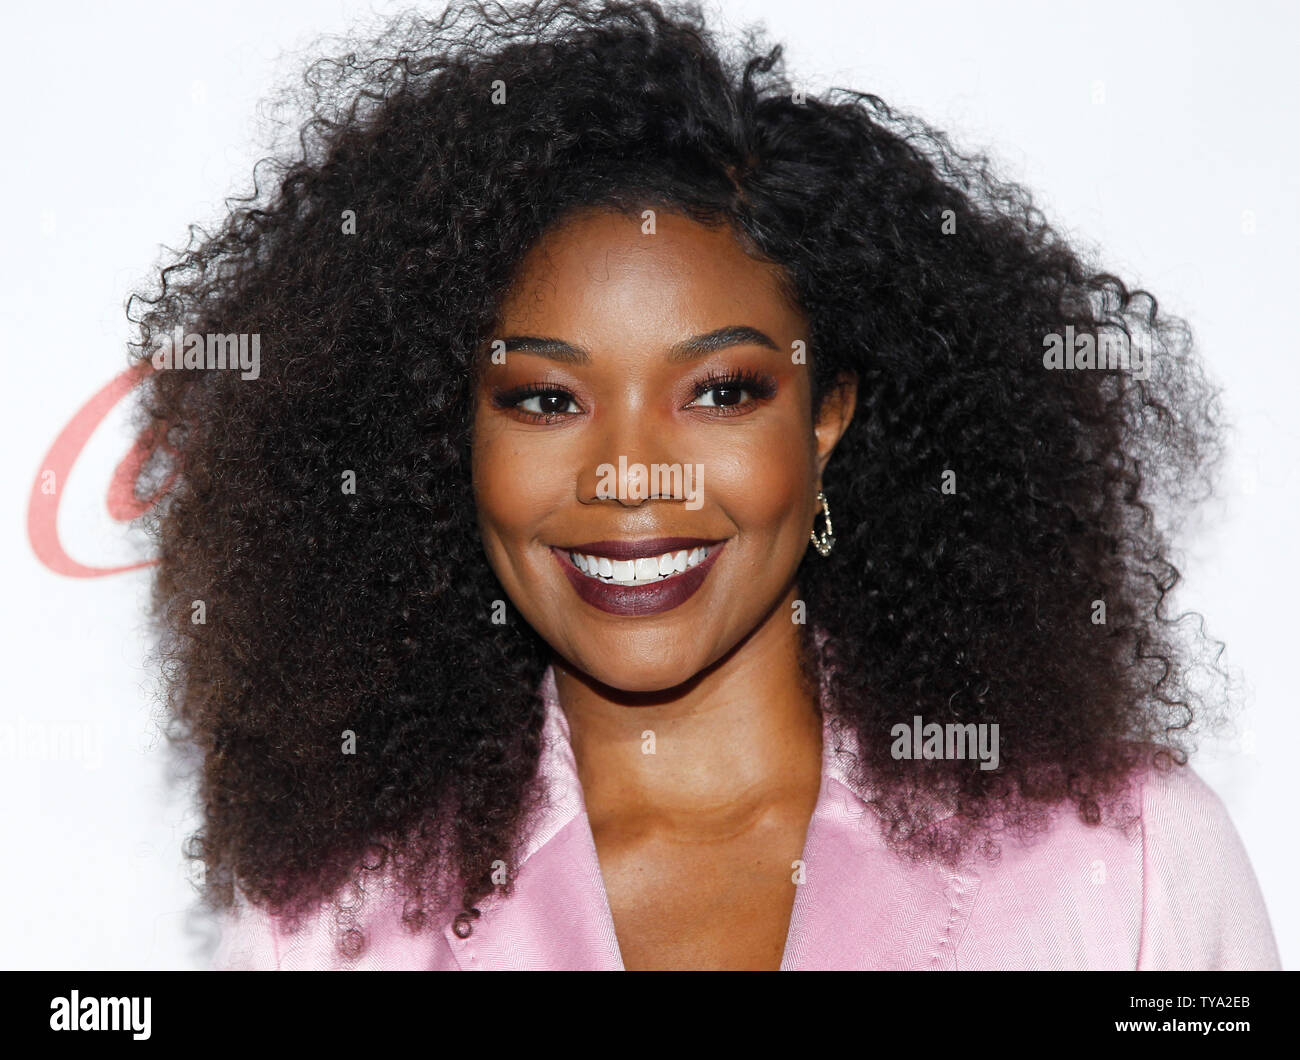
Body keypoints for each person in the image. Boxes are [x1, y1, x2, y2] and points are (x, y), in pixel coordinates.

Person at [129, 0, 1279, 970]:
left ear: (828, 415)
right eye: (544, 399)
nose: (629, 473)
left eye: (722, 392)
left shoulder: (1124, 857)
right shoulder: (334, 922)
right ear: (452, 438)